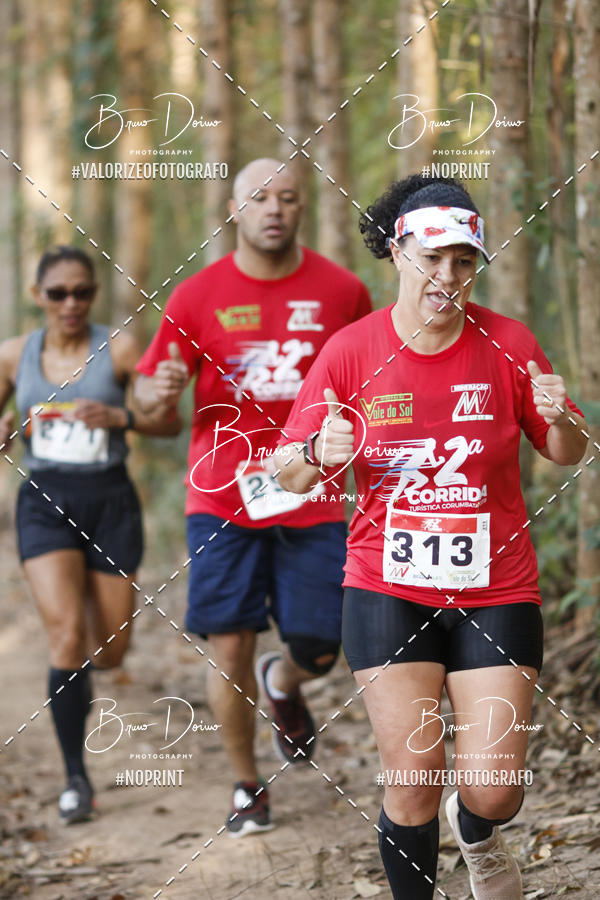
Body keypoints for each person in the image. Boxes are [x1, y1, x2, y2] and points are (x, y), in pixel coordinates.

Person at [276, 174, 587, 899]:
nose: (447, 276)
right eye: (431, 258)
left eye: (463, 262)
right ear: (396, 252)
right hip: (387, 585)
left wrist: (563, 419)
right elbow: (288, 475)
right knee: (412, 784)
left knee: (496, 789)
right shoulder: (349, 353)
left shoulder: (510, 343)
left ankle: (476, 831)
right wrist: (318, 455)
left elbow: (564, 451)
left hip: (497, 585)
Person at [134, 158, 372, 836]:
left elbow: (366, 384)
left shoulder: (343, 291)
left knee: (322, 642)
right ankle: (246, 788)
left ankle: (286, 682)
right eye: (260, 198)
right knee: (227, 645)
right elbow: (156, 409)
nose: (274, 209)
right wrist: (149, 398)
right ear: (233, 211)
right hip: (222, 494)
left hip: (313, 494)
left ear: (302, 211)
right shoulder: (193, 297)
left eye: (288, 198)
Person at [0, 245, 181, 825]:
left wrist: (122, 417)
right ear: (38, 296)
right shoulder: (13, 356)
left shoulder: (119, 348)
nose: (71, 303)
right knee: (65, 640)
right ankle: (76, 779)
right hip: (45, 502)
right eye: (58, 293)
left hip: (110, 504)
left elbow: (169, 420)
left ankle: (82, 612)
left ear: (94, 295)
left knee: (109, 650)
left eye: (82, 292)